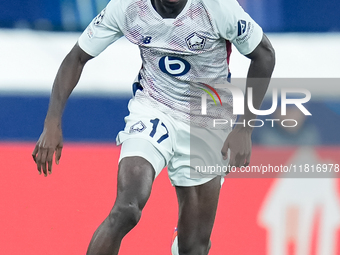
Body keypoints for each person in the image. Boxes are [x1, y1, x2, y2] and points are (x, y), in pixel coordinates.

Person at [32, 0, 275, 254]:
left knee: (192, 248)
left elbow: (265, 54)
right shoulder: (128, 6)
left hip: (207, 118)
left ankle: (182, 237)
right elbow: (77, 57)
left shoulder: (216, 7)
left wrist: (244, 128)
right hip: (154, 107)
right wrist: (52, 123)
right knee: (126, 208)